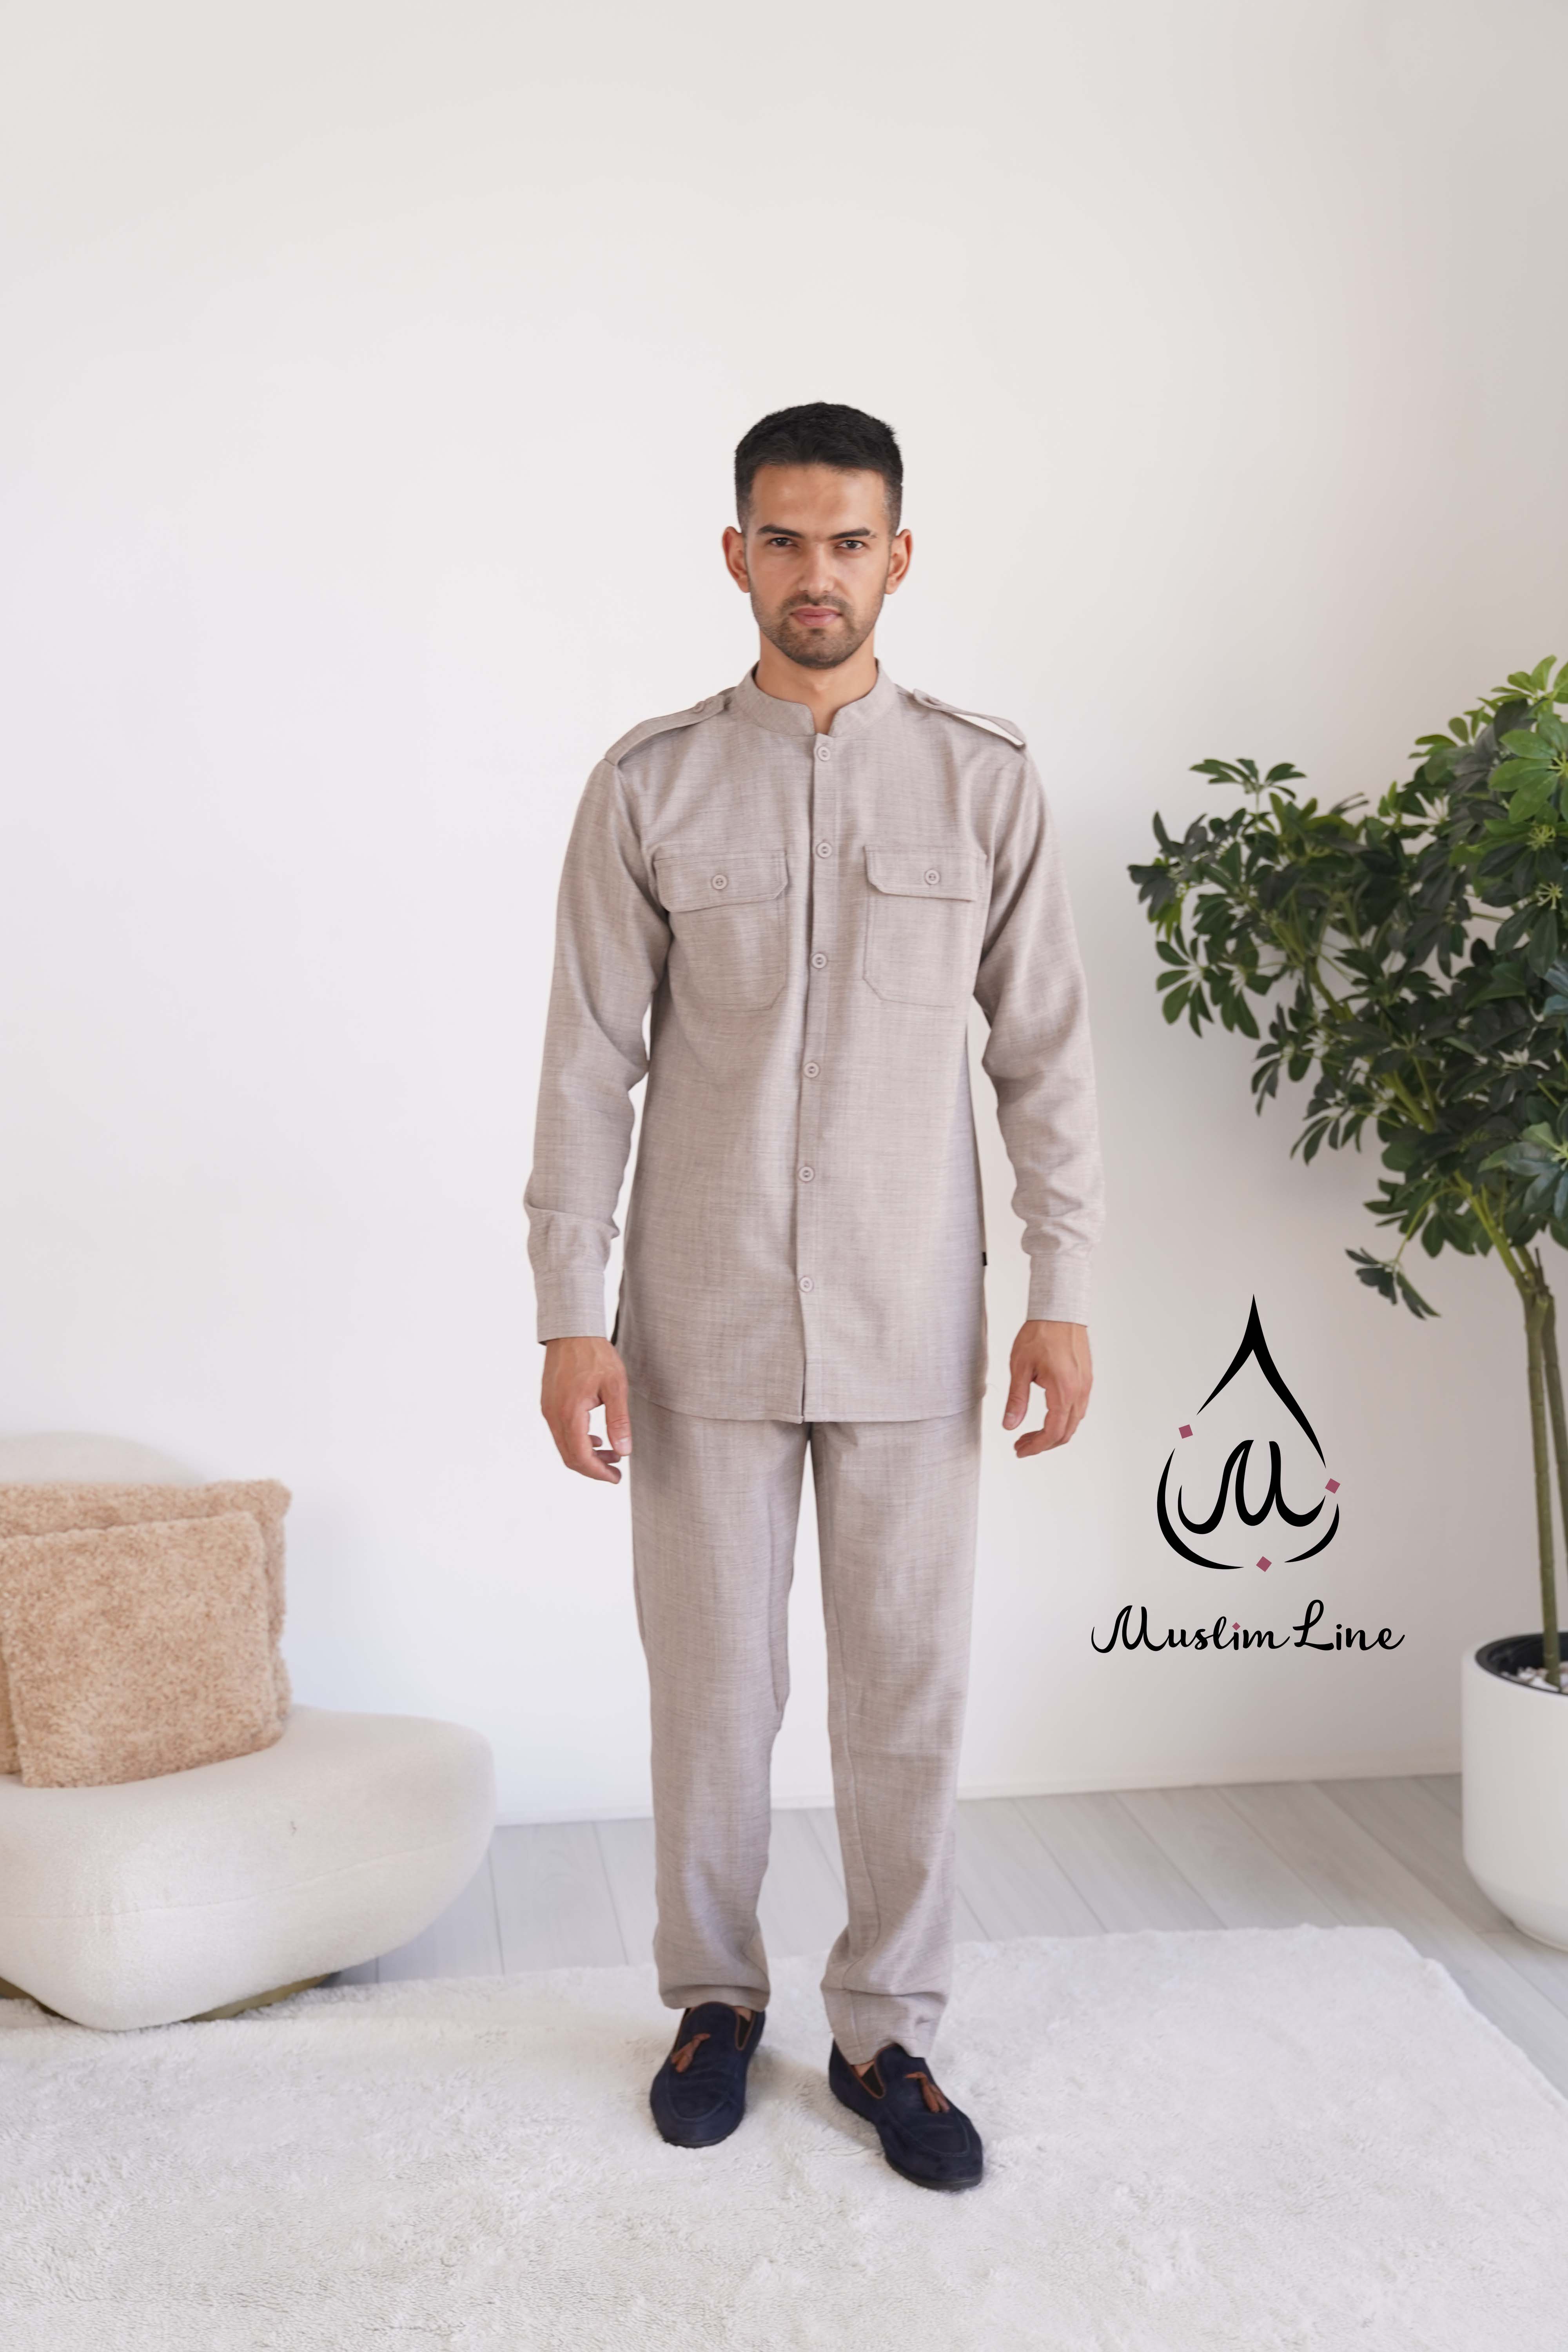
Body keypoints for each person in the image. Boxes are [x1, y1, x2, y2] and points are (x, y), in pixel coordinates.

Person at [525, 401, 1103, 2191]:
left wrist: (1063, 1285)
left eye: (849, 542)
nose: (816, 573)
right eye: (784, 540)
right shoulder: (650, 787)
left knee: (906, 1690)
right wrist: (568, 1312)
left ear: (898, 557)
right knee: (711, 1692)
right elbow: (587, 1065)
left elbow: (1045, 1054)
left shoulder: (984, 782)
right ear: (737, 554)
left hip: (914, 1315)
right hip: (697, 1320)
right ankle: (713, 2001)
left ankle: (886, 2031)